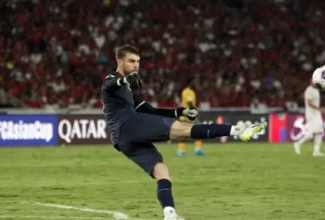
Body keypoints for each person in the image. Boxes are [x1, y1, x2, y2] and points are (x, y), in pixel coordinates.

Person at [101, 45, 267, 220]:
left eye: (138, 62)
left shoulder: (127, 89)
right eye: (131, 61)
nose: (136, 65)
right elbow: (110, 85)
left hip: (123, 140)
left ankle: (170, 214)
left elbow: (150, 111)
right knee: (184, 130)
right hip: (128, 125)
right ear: (120, 61)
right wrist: (124, 81)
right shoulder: (114, 79)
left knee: (162, 173)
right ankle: (238, 131)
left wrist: (180, 112)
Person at [293, 77, 325, 157]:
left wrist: (318, 110)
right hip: (311, 114)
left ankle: (316, 152)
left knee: (320, 132)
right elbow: (309, 103)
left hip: (317, 114)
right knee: (311, 133)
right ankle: (297, 143)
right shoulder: (309, 90)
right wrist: (319, 108)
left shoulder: (316, 90)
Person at [177, 76, 206, 157]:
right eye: (195, 82)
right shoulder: (186, 92)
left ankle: (197, 149)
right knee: (184, 134)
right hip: (186, 116)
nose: (196, 83)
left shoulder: (192, 92)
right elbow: (189, 103)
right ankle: (181, 151)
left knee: (198, 132)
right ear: (191, 82)